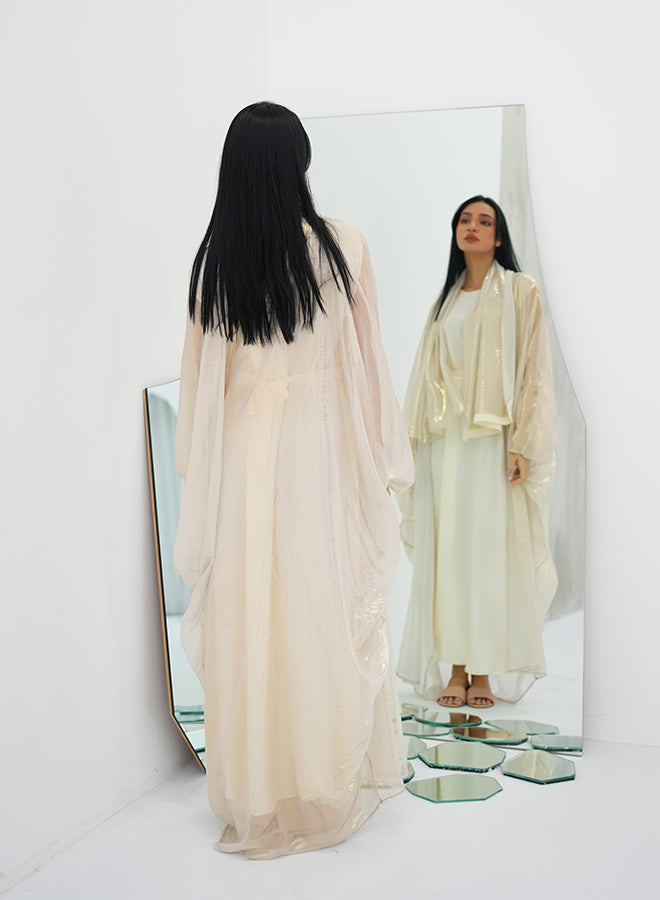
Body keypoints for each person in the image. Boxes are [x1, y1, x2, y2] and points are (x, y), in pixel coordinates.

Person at [173, 102, 414, 859]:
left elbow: (201, 384)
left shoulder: (217, 259)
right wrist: (382, 458)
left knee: (255, 609)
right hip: (318, 448)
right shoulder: (343, 246)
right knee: (315, 606)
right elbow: (367, 362)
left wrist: (199, 471)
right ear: (299, 162)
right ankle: (319, 775)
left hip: (246, 455)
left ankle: (260, 784)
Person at [397, 196, 557, 709]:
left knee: (487, 552)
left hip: (492, 444)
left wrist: (524, 443)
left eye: (484, 221)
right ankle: (456, 669)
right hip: (446, 446)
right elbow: (425, 378)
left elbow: (534, 371)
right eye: (464, 220)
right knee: (451, 554)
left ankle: (482, 673)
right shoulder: (445, 302)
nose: (472, 227)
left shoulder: (520, 291)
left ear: (498, 236)